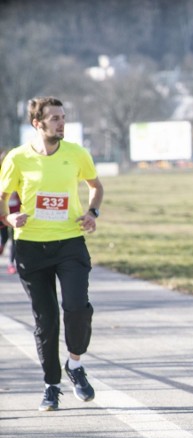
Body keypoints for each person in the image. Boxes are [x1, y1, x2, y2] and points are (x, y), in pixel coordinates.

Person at [0, 97, 105, 412]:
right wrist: (8, 218)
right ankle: (51, 385)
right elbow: (2, 198)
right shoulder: (17, 159)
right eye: (55, 118)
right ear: (38, 123)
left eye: (63, 117)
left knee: (76, 308)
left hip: (70, 242)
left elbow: (96, 186)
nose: (62, 123)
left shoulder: (76, 154)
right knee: (46, 320)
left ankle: (75, 364)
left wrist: (92, 213)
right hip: (31, 247)